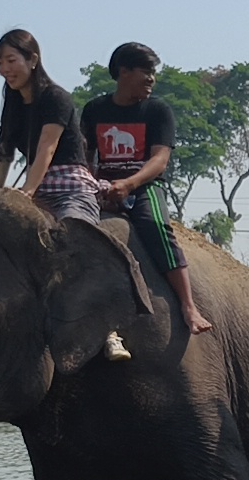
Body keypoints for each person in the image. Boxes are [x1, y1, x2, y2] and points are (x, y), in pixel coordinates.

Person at [80, 42, 213, 335]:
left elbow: (159, 160)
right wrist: (95, 186)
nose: (151, 79)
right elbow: (85, 157)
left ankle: (188, 305)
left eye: (153, 72)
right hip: (102, 187)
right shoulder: (94, 110)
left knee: (155, 225)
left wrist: (129, 184)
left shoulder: (157, 111)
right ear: (123, 72)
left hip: (143, 187)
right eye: (146, 71)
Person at [0, 29, 100, 223]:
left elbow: (47, 147)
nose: (5, 68)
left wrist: (27, 192)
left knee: (72, 228)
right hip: (38, 191)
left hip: (70, 190)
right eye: (0, 63)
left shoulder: (55, 97)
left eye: (11, 61)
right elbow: (3, 151)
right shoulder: (13, 101)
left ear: (33, 60)